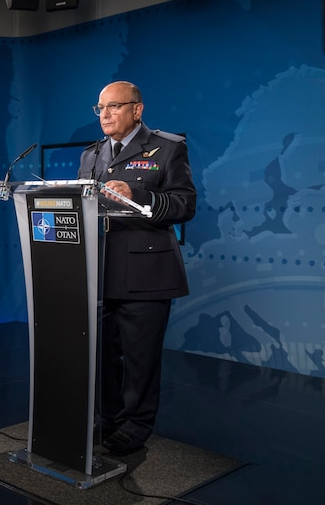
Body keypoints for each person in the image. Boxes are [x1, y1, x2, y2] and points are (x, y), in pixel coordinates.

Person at [77, 81, 196, 456]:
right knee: (101, 356)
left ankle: (135, 427)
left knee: (141, 359)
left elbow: (184, 205)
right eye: (100, 109)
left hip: (147, 274)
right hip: (99, 271)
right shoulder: (91, 155)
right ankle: (107, 420)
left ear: (137, 110)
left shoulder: (168, 148)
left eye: (114, 107)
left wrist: (138, 195)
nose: (106, 115)